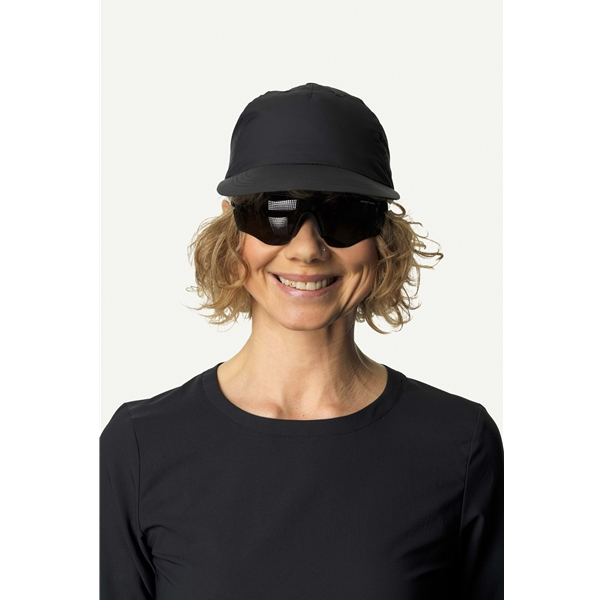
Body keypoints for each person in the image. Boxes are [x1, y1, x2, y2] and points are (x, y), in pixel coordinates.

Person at [100, 83, 503, 599]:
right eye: (275, 211)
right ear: (233, 231)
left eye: (343, 214)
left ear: (382, 235)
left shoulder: (459, 444)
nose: (307, 249)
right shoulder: (140, 447)